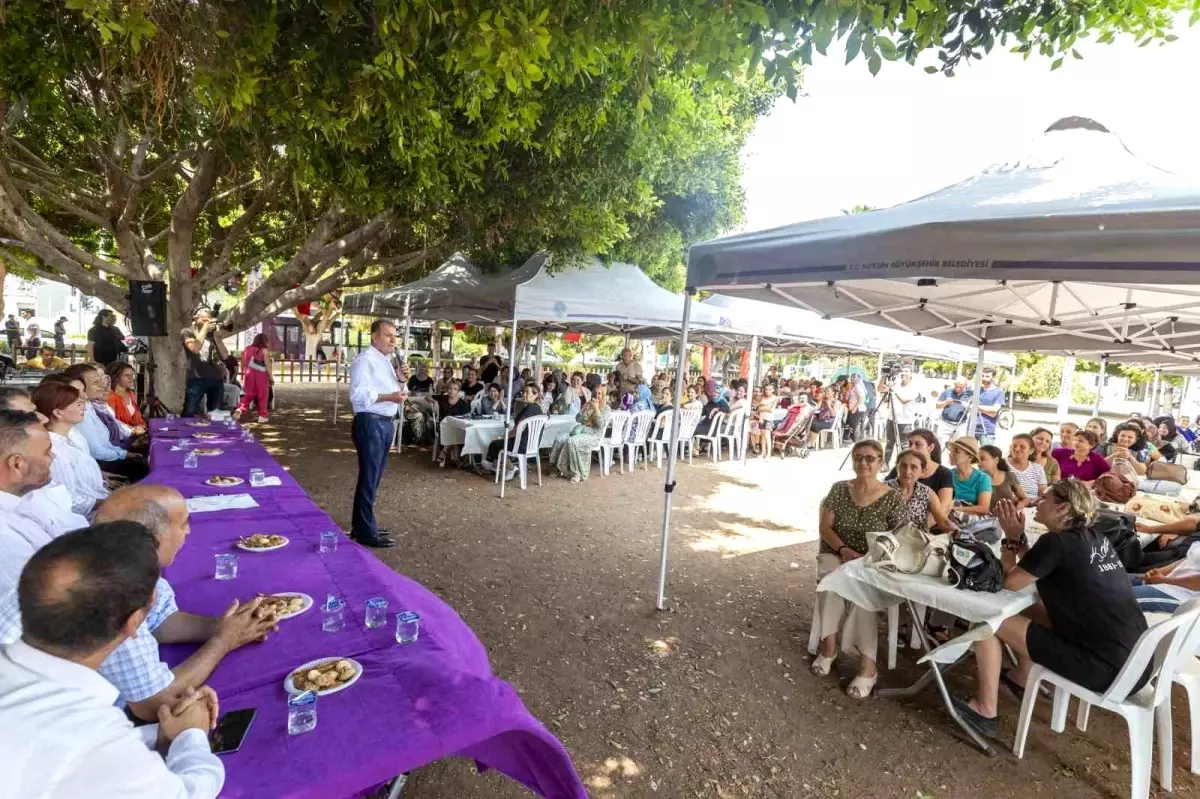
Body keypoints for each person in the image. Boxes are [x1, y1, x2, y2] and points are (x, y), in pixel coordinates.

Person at [0, 483, 277, 719]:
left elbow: (159, 621)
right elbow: (154, 703)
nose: (188, 532)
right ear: (156, 536)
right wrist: (223, 642)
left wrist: (225, 627)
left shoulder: (103, 554)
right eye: (183, 523)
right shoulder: (107, 585)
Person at [0, 522, 225, 798]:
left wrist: (158, 733)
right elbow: (186, 793)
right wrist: (191, 734)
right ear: (134, 623)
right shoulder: (93, 735)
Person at [953, 484, 1149, 740]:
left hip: (1105, 669)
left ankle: (984, 709)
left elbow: (1007, 584)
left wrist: (1010, 541)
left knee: (989, 619)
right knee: (1028, 608)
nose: (1037, 501)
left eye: (1045, 498)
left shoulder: (1056, 542)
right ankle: (1022, 677)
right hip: (1136, 663)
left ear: (1063, 508)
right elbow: (1040, 565)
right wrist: (1019, 539)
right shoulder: (1094, 537)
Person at [812, 440, 904, 699]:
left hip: (871, 560)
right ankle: (828, 648)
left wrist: (868, 557)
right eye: (858, 457)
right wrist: (844, 550)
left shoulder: (892, 497)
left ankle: (868, 667)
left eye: (870, 458)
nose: (863, 462)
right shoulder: (840, 489)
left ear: (881, 463)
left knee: (864, 597)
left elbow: (898, 537)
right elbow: (825, 527)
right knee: (831, 583)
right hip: (836, 552)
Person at [0, 409, 89, 596]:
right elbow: (52, 600)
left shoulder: (25, 497)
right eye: (47, 452)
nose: (53, 458)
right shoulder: (5, 539)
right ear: (17, 464)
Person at [347, 320, 404, 549]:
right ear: (374, 337)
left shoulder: (386, 361)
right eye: (388, 335)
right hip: (371, 422)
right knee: (369, 478)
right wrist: (389, 397)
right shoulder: (365, 360)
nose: (393, 340)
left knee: (373, 478)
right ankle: (365, 532)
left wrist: (401, 379)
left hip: (384, 423)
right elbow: (357, 394)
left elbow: (395, 391)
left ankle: (362, 525)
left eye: (394, 336)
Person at [64, 363, 149, 482]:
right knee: (144, 467)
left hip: (112, 453)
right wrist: (126, 454)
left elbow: (107, 442)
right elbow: (97, 451)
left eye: (103, 380)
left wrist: (125, 452)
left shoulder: (90, 406)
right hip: (102, 461)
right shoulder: (82, 413)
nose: (103, 385)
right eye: (96, 382)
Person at [34, 382, 108, 518]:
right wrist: (106, 502)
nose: (84, 408)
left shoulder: (69, 439)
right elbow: (70, 501)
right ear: (58, 413)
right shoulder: (54, 451)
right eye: (79, 405)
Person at [480, 384, 544, 481]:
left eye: (527, 392)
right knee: (499, 443)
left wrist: (503, 437)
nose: (524, 394)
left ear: (536, 395)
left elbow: (519, 429)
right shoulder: (538, 408)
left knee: (495, 444)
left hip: (521, 445)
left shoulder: (530, 408)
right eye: (523, 392)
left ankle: (511, 468)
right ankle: (495, 466)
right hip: (532, 445)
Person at [886, 449, 959, 531]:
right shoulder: (884, 489)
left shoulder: (927, 493)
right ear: (897, 468)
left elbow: (942, 520)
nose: (907, 471)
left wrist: (957, 531)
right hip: (887, 538)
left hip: (918, 537)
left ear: (922, 472)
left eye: (914, 467)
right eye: (903, 466)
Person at [550, 385, 610, 483]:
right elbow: (578, 419)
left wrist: (596, 409)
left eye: (599, 394)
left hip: (594, 436)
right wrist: (585, 409)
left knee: (572, 441)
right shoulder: (589, 404)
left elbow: (601, 425)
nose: (596, 396)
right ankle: (557, 468)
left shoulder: (606, 409)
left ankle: (576, 473)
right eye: (595, 393)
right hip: (580, 431)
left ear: (603, 395)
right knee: (560, 438)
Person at [884, 428, 953, 513]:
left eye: (918, 444)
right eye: (910, 444)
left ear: (931, 447)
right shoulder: (900, 469)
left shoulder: (944, 474)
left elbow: (944, 506)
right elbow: (882, 490)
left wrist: (926, 522)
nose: (912, 448)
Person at [181, 309, 229, 417]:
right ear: (195, 318)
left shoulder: (213, 334)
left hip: (216, 377)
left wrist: (217, 337)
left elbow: (225, 355)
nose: (207, 322)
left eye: (210, 320)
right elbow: (194, 348)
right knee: (190, 411)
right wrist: (204, 329)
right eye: (204, 320)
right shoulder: (187, 332)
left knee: (216, 413)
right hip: (196, 378)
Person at [1129, 540, 1200, 613]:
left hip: (1182, 596)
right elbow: (1189, 559)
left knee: (1123, 597)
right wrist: (1160, 571)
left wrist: (1164, 580)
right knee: (1122, 582)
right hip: (1168, 583)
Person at [877, 365, 918, 465]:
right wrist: (884, 376)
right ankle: (885, 464)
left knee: (904, 445)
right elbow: (880, 389)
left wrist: (893, 390)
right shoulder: (896, 383)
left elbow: (904, 400)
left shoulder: (914, 387)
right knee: (889, 443)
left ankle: (904, 465)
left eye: (906, 371)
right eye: (902, 371)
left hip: (905, 421)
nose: (903, 373)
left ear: (911, 374)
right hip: (892, 418)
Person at [948, 436, 992, 518]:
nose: (951, 454)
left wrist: (954, 509)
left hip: (972, 522)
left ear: (970, 457)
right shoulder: (948, 474)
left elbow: (984, 509)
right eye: (951, 450)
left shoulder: (982, 478)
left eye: (956, 451)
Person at [234, 333, 273, 423]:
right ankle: (263, 416)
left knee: (248, 394)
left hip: (249, 375)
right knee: (263, 395)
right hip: (261, 376)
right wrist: (271, 377)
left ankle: (239, 409)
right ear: (265, 341)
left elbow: (243, 364)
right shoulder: (264, 350)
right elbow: (267, 365)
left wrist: (244, 374)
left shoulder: (246, 349)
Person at [979, 444, 1028, 512]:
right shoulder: (977, 478)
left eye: (982, 459)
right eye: (977, 459)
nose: (979, 462)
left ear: (996, 460)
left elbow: (1024, 499)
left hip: (1009, 515)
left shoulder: (1009, 476)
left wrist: (1018, 507)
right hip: (986, 517)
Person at [435, 380, 469, 468]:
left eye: (455, 389)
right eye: (450, 388)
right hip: (442, 426)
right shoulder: (443, 398)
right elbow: (427, 397)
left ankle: (444, 451)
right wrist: (434, 402)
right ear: (447, 389)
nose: (451, 391)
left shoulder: (462, 403)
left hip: (458, 428)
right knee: (451, 431)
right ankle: (456, 460)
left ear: (458, 391)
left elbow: (466, 417)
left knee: (453, 431)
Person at [106, 361, 147, 430]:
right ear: (116, 377)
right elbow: (111, 423)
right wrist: (133, 430)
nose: (131, 378)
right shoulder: (110, 397)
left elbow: (137, 417)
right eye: (126, 375)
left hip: (136, 433)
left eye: (132, 375)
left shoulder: (131, 394)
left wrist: (142, 426)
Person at [1007, 433, 1048, 499]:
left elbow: (1043, 495)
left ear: (1031, 450)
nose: (1017, 449)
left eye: (1022, 447)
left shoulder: (1038, 468)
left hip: (1033, 504)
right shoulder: (1002, 464)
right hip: (1009, 503)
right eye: (1014, 446)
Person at [973, 367, 1005, 446]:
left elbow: (994, 410)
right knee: (970, 452)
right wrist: (987, 411)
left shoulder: (998, 392)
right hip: (973, 427)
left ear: (993, 377)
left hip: (987, 429)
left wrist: (977, 407)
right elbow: (970, 407)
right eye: (983, 376)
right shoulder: (977, 390)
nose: (984, 378)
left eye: (987, 376)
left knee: (986, 452)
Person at [748, 382, 781, 456]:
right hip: (762, 418)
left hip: (769, 419)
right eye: (766, 389)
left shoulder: (775, 398)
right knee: (763, 437)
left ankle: (768, 454)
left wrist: (762, 408)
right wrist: (764, 408)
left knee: (767, 436)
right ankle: (763, 452)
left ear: (773, 390)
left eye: (769, 389)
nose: (767, 391)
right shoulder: (763, 398)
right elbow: (759, 408)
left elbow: (771, 410)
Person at [844, 374, 868, 442]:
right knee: (852, 424)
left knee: (854, 425)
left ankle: (855, 440)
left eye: (854, 377)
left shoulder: (857, 386)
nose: (852, 378)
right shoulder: (855, 386)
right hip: (857, 408)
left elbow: (862, 398)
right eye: (851, 377)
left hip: (858, 409)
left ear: (858, 379)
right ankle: (854, 439)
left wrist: (855, 407)